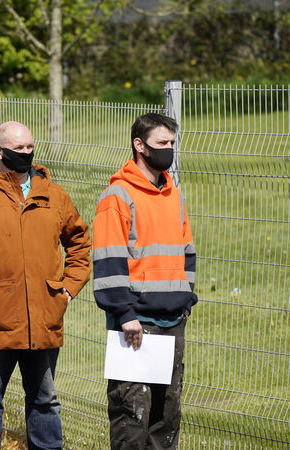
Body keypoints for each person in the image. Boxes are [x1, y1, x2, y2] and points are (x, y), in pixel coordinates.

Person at [0, 121, 92, 450]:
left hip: (43, 320)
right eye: (19, 148)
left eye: (29, 147)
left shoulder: (54, 195)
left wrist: (68, 289)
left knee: (45, 401)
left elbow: (80, 244)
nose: (26, 153)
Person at [93, 113, 196, 450]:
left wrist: (186, 299)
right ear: (140, 145)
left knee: (167, 418)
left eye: (172, 142)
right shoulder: (118, 196)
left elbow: (187, 253)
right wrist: (124, 315)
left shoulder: (174, 195)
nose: (169, 149)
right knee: (132, 415)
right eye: (162, 142)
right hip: (136, 324)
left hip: (173, 321)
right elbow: (109, 260)